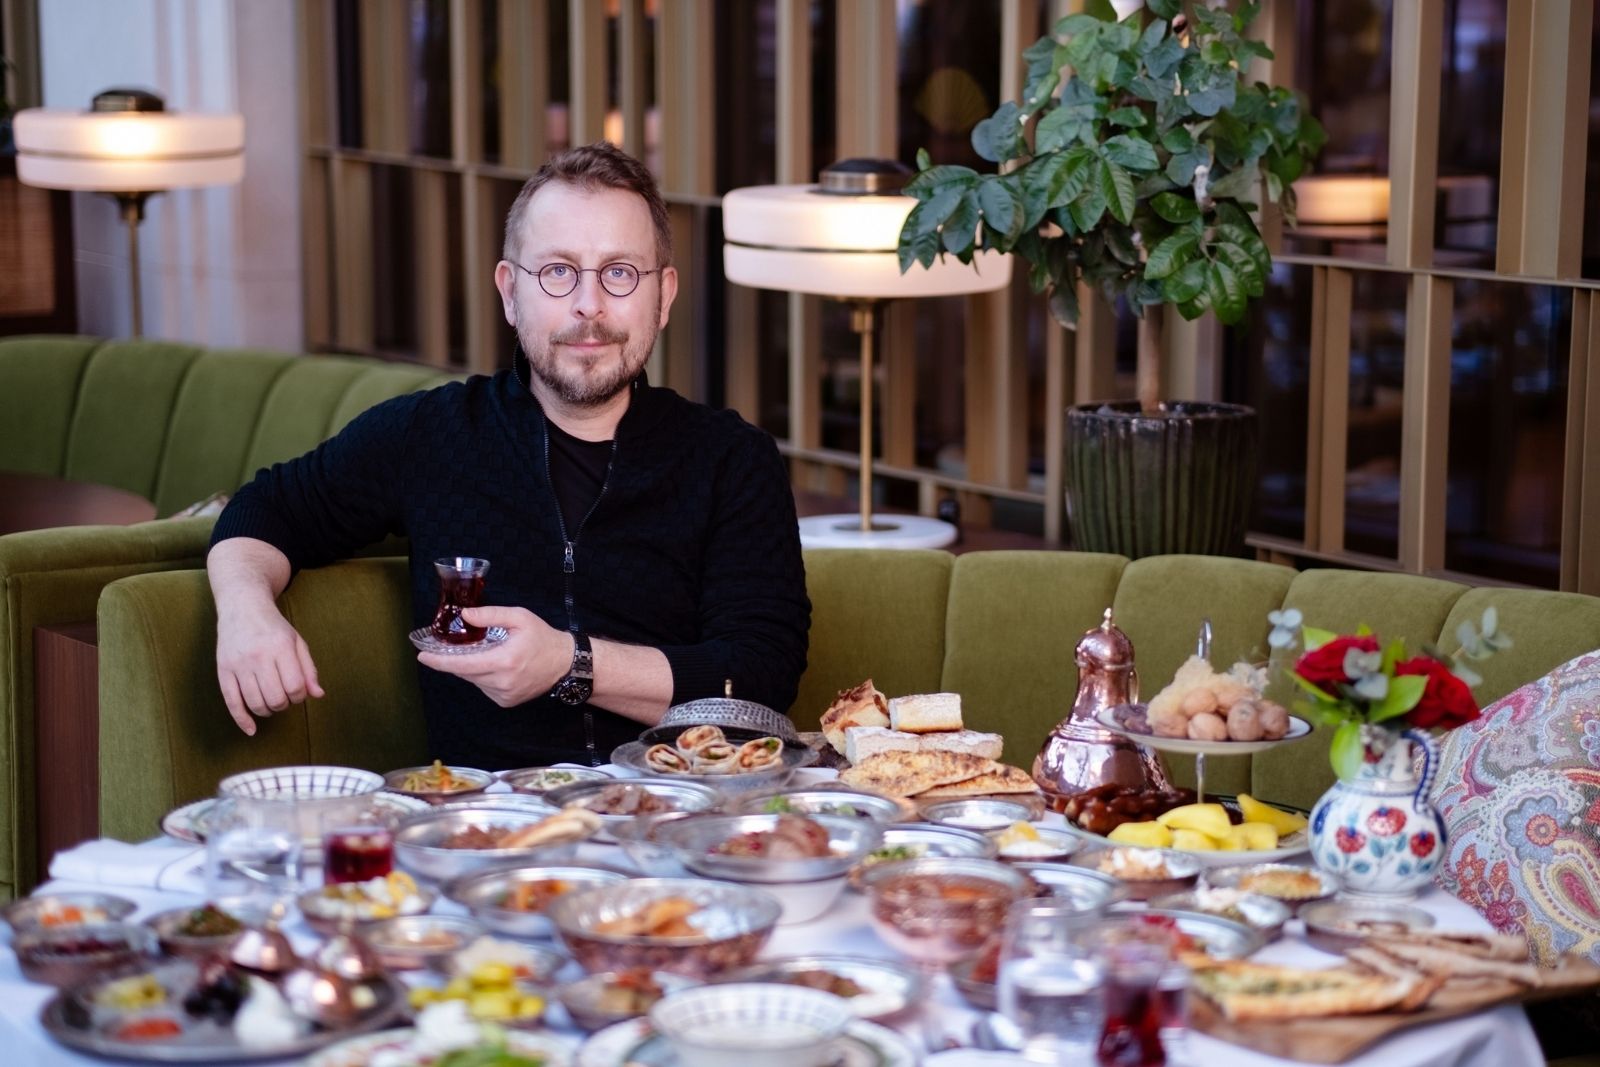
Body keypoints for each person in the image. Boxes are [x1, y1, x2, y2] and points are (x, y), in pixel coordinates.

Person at [207, 142, 810, 768]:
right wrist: (247, 612)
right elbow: (266, 509)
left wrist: (569, 663)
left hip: (683, 819)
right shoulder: (430, 434)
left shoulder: (732, 459)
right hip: (490, 830)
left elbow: (761, 674)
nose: (589, 305)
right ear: (509, 292)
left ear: (663, 296)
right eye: (557, 271)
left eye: (620, 273)